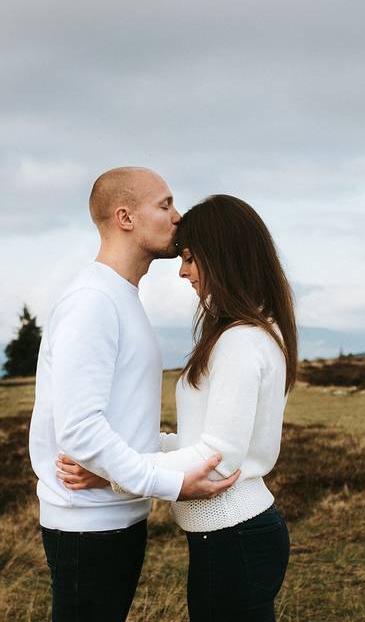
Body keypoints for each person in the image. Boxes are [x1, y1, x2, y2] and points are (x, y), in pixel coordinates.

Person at [58, 194, 298, 621]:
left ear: (223, 257)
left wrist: (116, 476)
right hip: (230, 536)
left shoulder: (241, 341)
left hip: (234, 536)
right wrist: (130, 457)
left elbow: (217, 459)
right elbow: (202, 442)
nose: (184, 271)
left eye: (190, 258)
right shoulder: (243, 331)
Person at [28, 168, 239, 622]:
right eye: (164, 205)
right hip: (88, 526)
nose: (178, 217)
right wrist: (175, 484)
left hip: (115, 516)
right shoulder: (93, 302)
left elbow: (123, 420)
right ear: (125, 217)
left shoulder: (119, 297)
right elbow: (80, 430)